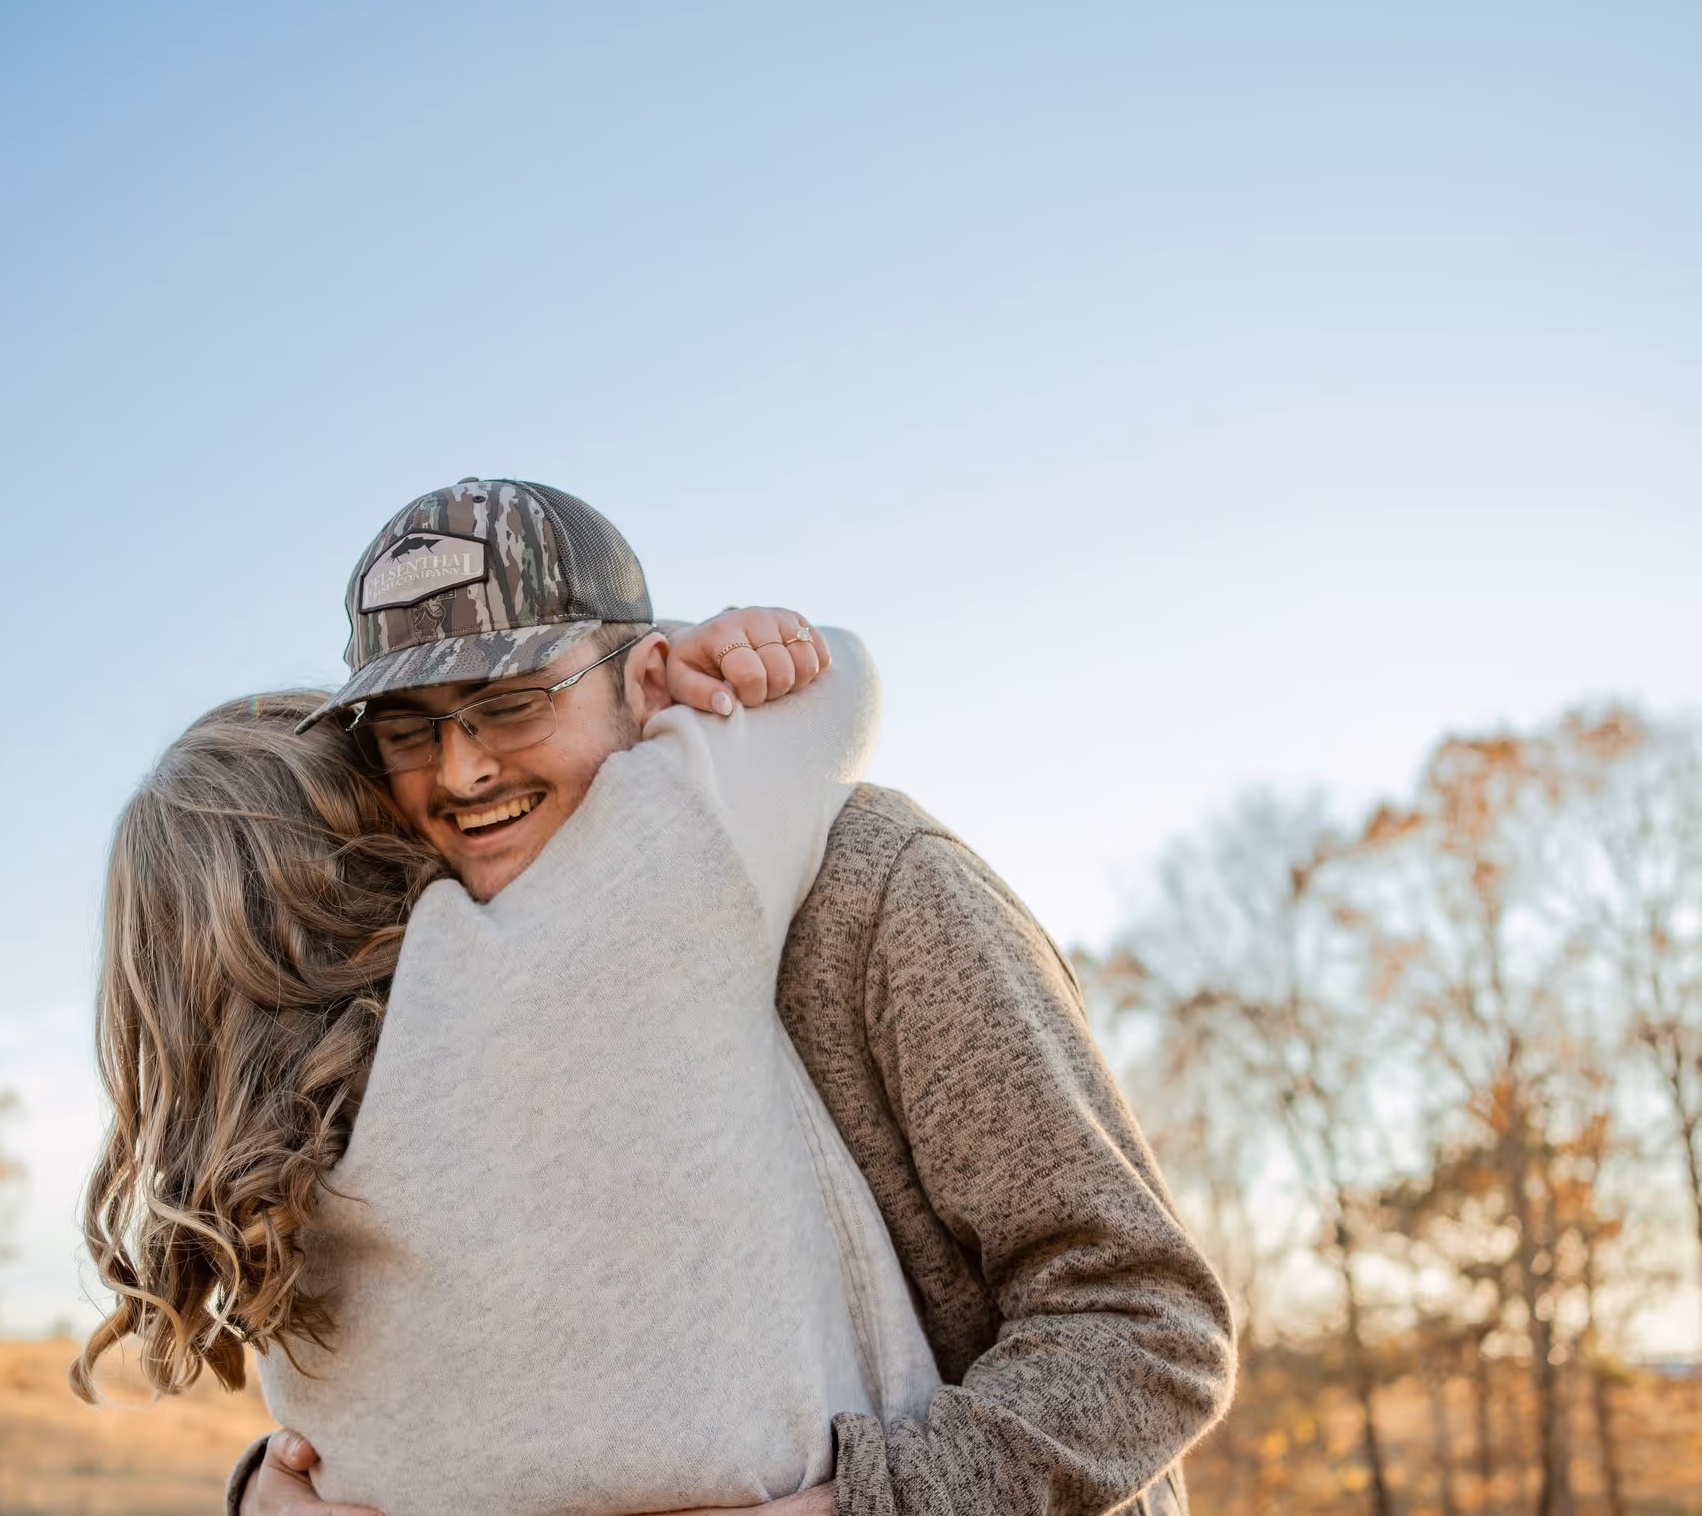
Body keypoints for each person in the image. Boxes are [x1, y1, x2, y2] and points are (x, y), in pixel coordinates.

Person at [225, 478, 1235, 1516]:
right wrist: (283, 1482)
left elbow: (1144, 1324)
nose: (462, 770)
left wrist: (855, 1508)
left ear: (647, 675)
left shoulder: (872, 881)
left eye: (512, 704)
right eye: (408, 731)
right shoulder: (426, 980)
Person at [80, 607, 944, 1515]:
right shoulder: (605, 911)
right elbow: (832, 679)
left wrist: (254, 1489)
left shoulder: (263, 1202)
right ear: (371, 825)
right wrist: (646, 660)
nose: (457, 770)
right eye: (405, 740)